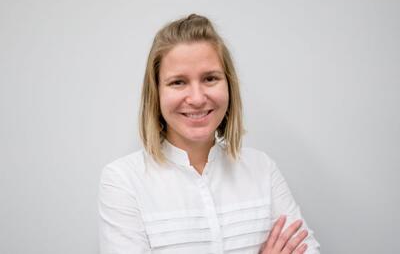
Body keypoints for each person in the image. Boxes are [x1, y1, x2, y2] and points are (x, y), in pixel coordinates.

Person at [98, 14, 320, 254]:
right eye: (178, 82)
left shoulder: (262, 169)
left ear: (228, 85)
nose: (196, 98)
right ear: (157, 93)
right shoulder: (123, 181)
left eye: (210, 78)